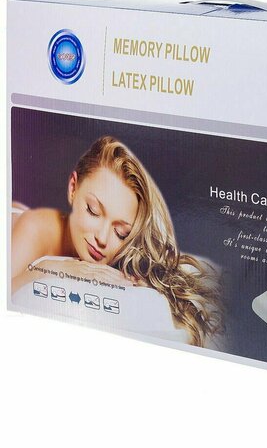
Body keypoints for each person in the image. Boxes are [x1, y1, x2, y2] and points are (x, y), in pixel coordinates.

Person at [11, 136, 223, 347]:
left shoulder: (121, 255)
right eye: (93, 211)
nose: (102, 239)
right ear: (73, 188)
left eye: (120, 233)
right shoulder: (35, 227)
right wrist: (49, 268)